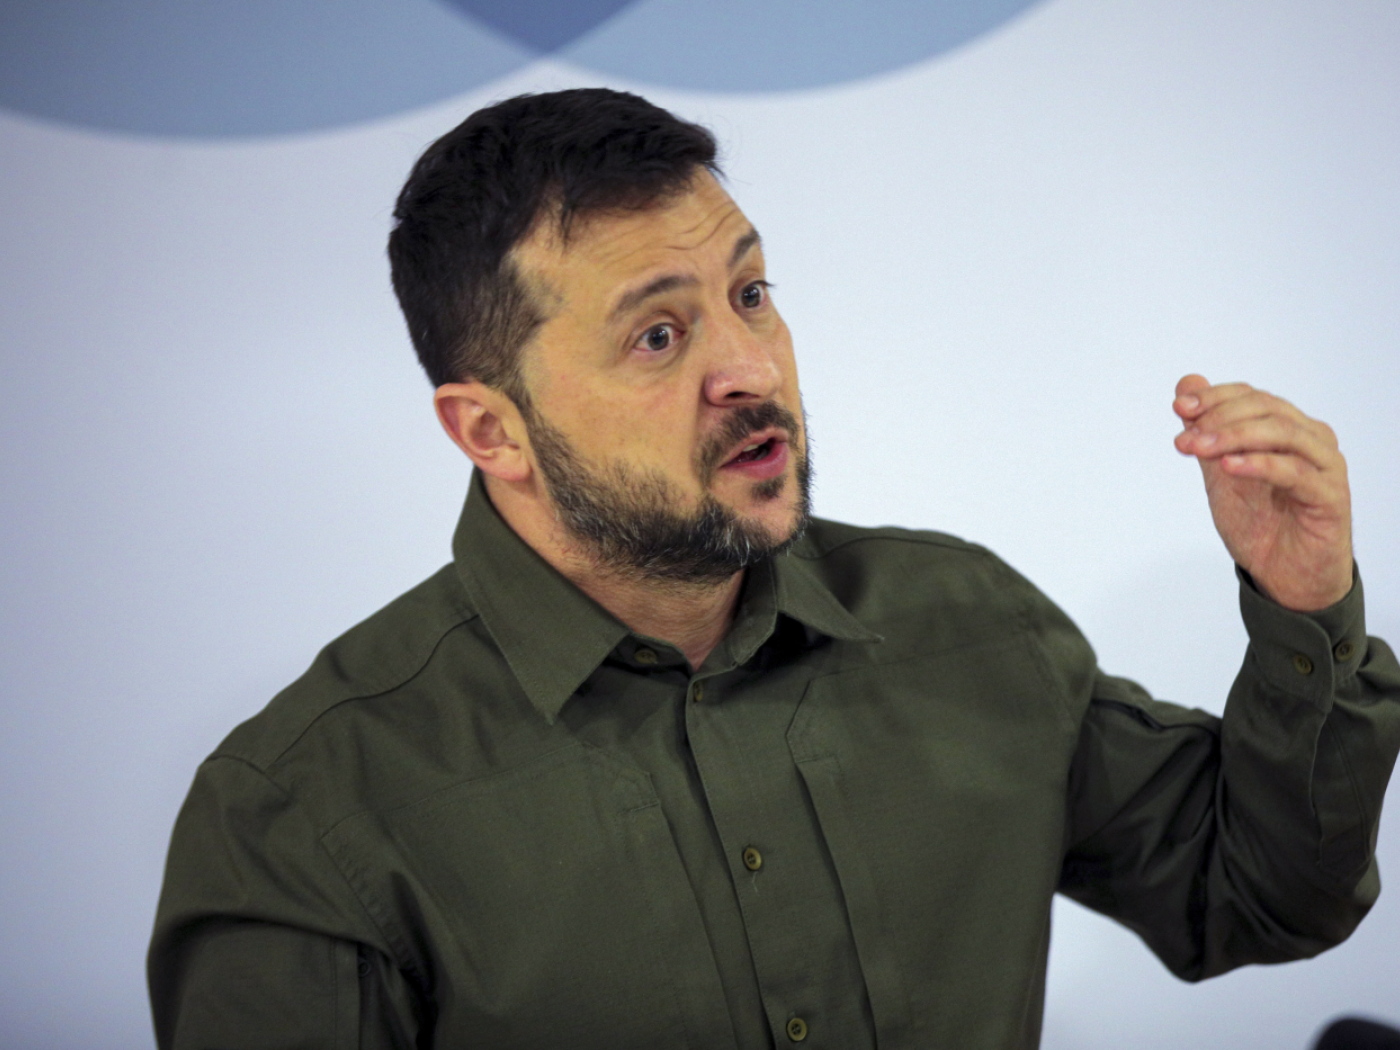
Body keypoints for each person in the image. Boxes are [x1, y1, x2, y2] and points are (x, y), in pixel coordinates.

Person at [148, 88, 1400, 1050]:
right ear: (491, 431)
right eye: (657, 334)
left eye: (750, 293)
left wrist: (1302, 604)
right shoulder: (303, 817)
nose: (748, 368)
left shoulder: (962, 623)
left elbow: (1259, 895)